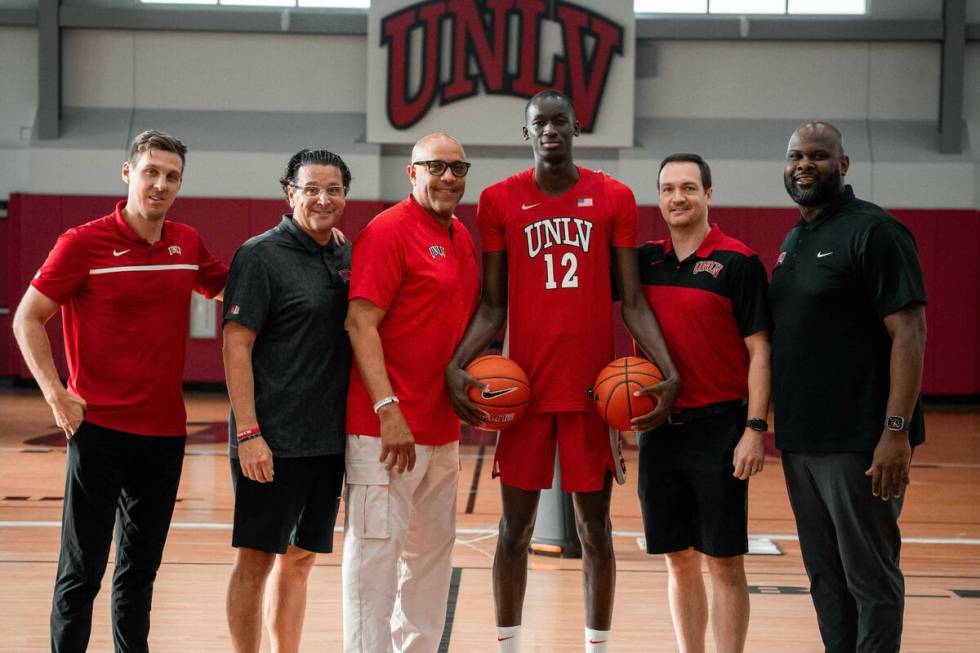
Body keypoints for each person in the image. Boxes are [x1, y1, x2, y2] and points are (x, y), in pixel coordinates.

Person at [445, 89, 680, 653]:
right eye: (539, 123)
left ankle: (597, 646)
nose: (550, 130)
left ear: (576, 126)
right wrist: (456, 363)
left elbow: (633, 300)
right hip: (520, 392)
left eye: (559, 121)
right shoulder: (499, 200)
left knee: (595, 531)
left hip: (592, 392)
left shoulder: (613, 196)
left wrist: (666, 367)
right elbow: (493, 305)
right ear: (526, 133)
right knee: (514, 531)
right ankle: (510, 646)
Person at [11, 130, 228, 653]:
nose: (160, 184)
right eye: (151, 171)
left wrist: (310, 239)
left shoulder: (186, 242)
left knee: (139, 573)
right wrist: (56, 394)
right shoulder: (82, 243)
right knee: (81, 571)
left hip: (163, 435)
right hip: (100, 431)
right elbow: (27, 318)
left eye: (171, 176)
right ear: (128, 173)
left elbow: (236, 283)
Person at [770, 122, 927, 652]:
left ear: (844, 164)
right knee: (825, 579)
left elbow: (909, 331)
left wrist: (895, 431)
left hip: (860, 442)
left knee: (870, 578)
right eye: (795, 156)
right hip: (802, 442)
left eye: (818, 155)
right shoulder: (796, 239)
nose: (804, 165)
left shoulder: (875, 231)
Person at [342, 132, 480, 653]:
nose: (448, 178)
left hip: (442, 431)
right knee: (373, 567)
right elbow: (360, 323)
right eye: (436, 167)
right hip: (384, 433)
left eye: (458, 168)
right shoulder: (388, 231)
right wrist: (387, 409)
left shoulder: (460, 236)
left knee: (428, 566)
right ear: (412, 172)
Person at [636, 153, 772, 653]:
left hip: (720, 429)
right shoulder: (644, 261)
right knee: (676, 557)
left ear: (709, 194)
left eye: (689, 188)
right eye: (669, 188)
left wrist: (754, 429)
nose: (678, 198)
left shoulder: (738, 261)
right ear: (659, 197)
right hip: (658, 429)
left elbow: (761, 351)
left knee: (725, 560)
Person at [223, 149, 353, 653]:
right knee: (255, 561)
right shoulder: (259, 255)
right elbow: (236, 346)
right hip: (270, 443)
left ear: (345, 195)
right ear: (290, 193)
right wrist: (249, 433)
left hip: (326, 443)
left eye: (334, 190)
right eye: (311, 189)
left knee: (300, 560)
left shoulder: (343, 252)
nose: (323, 199)